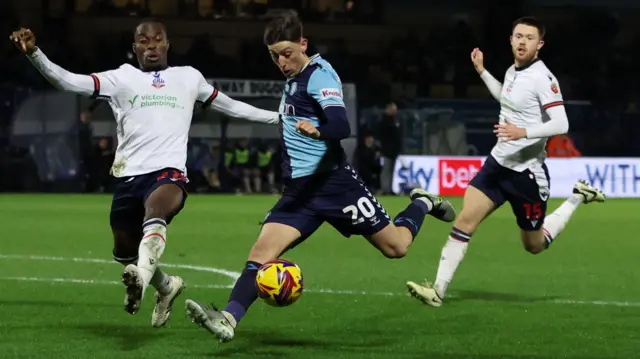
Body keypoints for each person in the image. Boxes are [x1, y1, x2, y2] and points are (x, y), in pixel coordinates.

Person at [183, 10, 457, 343]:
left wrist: (318, 131)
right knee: (260, 254)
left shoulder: (320, 75)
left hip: (335, 185)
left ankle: (422, 202)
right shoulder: (293, 78)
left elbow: (342, 125)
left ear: (304, 44)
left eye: (287, 54)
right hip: (299, 192)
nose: (282, 62)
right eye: (275, 56)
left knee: (397, 247)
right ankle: (229, 318)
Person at [10, 19, 279, 326]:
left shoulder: (188, 78)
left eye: (158, 40)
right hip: (129, 177)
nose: (151, 46)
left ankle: (140, 276)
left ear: (168, 44)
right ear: (134, 47)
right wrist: (35, 54)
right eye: (144, 41)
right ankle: (165, 286)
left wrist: (277, 117)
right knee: (124, 251)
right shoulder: (120, 78)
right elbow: (68, 81)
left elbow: (230, 105)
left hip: (168, 173)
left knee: (156, 214)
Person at [406, 17, 606, 307]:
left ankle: (576, 196)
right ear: (511, 40)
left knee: (533, 245)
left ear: (540, 45)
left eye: (529, 37)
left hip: (526, 176)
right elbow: (507, 100)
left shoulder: (544, 79)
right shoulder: (513, 70)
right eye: (518, 36)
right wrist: (483, 72)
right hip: (497, 166)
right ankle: (437, 291)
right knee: (464, 221)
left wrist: (521, 132)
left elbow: (561, 123)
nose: (522, 41)